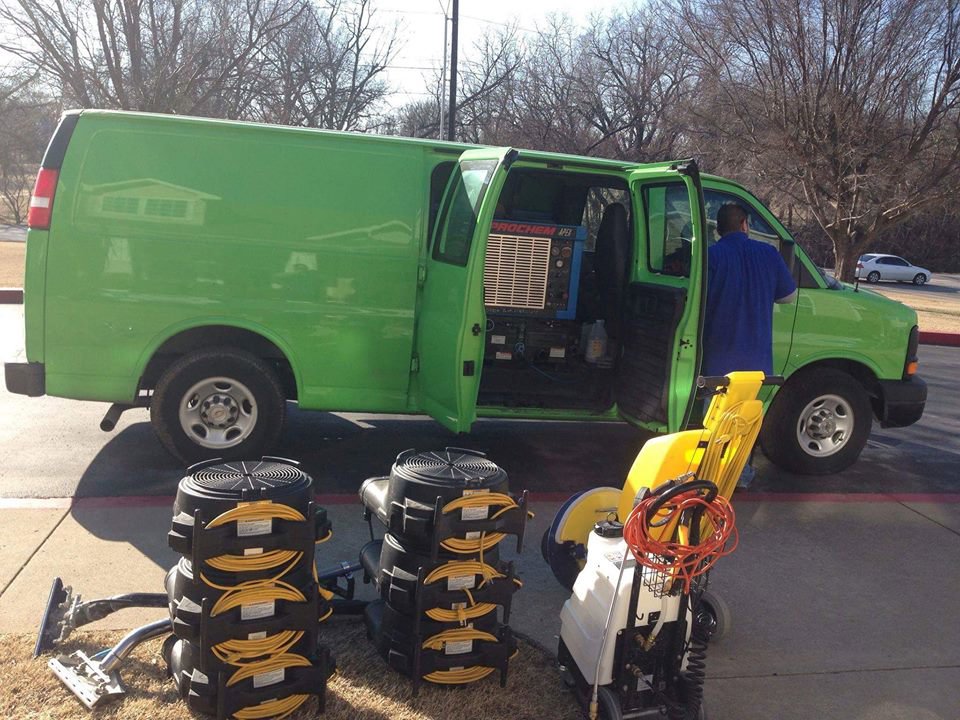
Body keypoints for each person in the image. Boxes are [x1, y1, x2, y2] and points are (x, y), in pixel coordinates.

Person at [701, 203, 797, 486]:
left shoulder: (712, 256)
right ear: (745, 224)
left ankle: (710, 476)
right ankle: (739, 476)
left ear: (718, 228)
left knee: (715, 418)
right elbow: (788, 296)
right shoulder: (768, 254)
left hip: (718, 356)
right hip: (755, 358)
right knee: (743, 421)